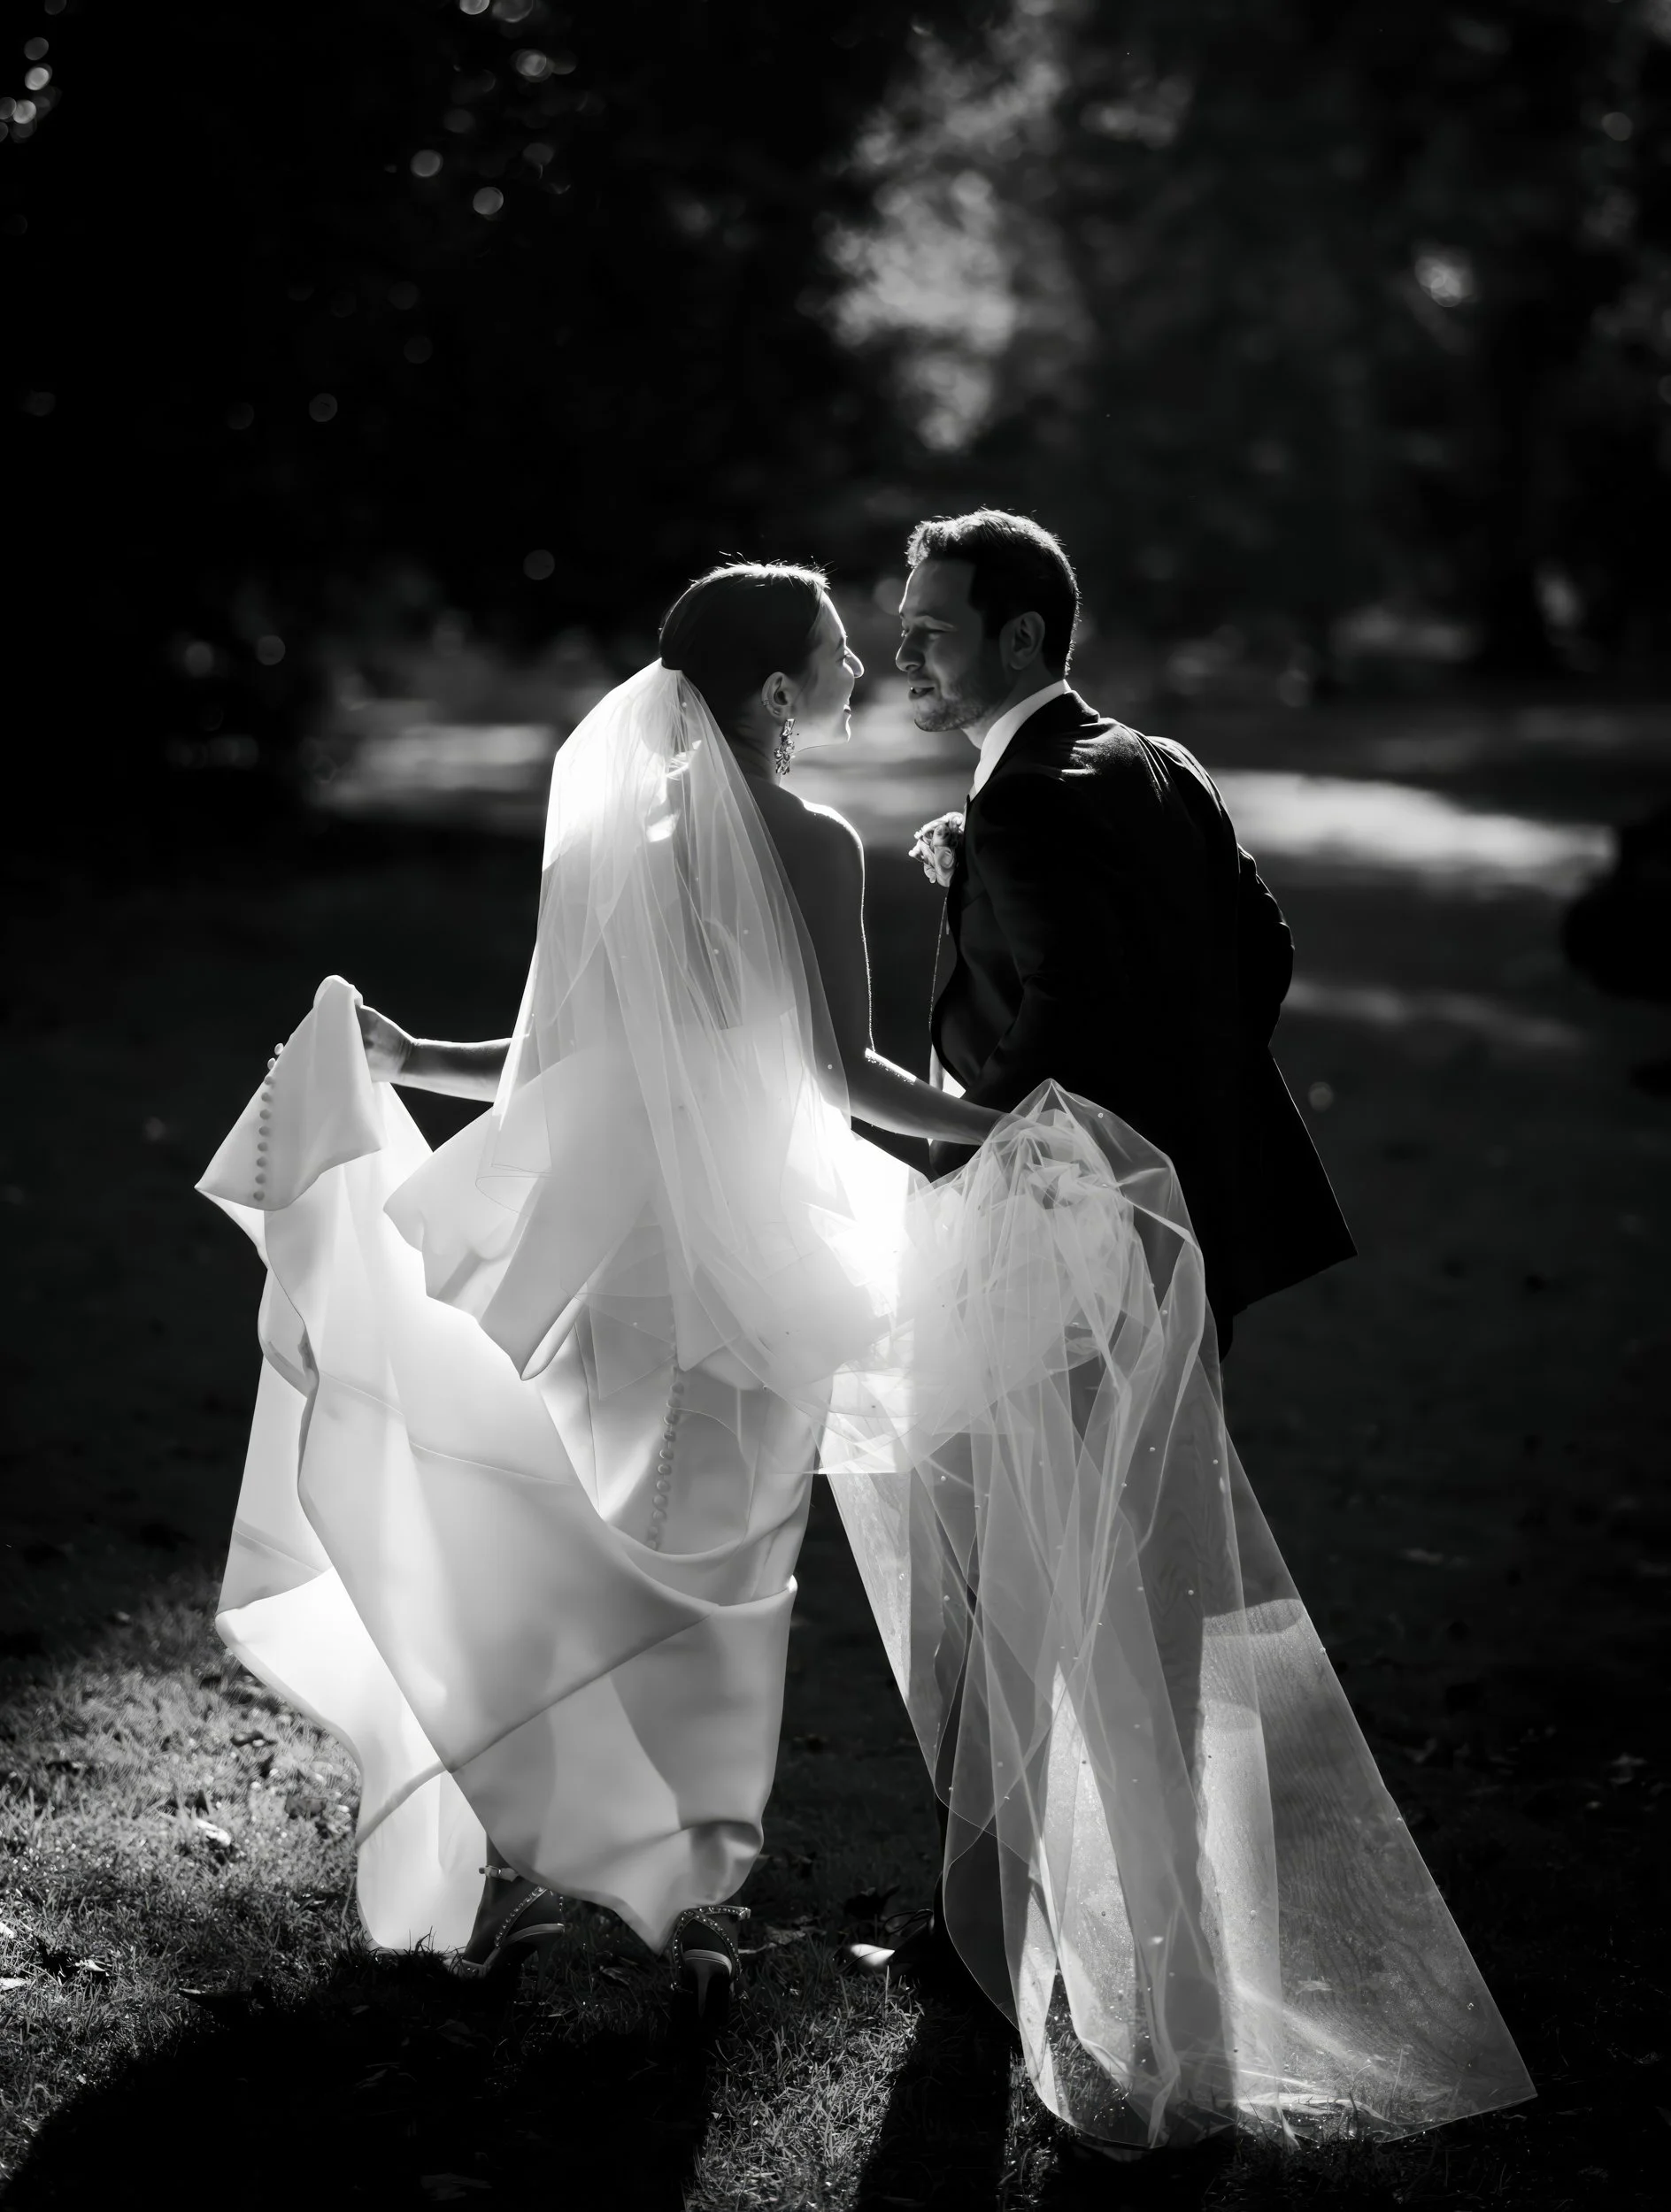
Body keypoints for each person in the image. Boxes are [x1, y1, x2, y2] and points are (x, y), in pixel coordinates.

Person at [199, 561, 1532, 2151]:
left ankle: (513, 1871)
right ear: (776, 695)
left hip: (608, 1263)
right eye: (841, 652)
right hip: (756, 1273)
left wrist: (421, 1062)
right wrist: (1004, 1133)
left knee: (591, 1538)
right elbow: (839, 1080)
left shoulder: (614, 838)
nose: (864, 669)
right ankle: (688, 1901)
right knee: (727, 1583)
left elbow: (558, 1055)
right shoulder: (815, 846)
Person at [850, 511, 1355, 2008]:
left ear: (1020, 637)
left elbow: (1067, 1002)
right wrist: (1172, 1140)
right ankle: (1150, 1918)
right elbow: (1257, 952)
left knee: (1021, 1583)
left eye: (932, 627)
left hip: (1060, 1239)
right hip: (1186, 1238)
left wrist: (975, 1133)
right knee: (1151, 1580)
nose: (904, 653)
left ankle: (997, 1938)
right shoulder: (1155, 763)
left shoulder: (1030, 807)